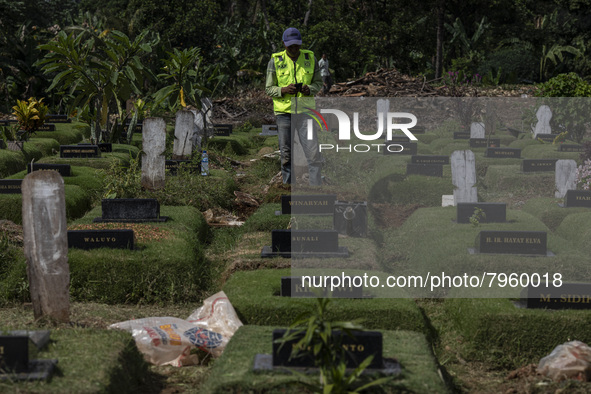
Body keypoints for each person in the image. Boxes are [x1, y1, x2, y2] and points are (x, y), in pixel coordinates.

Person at [265, 27, 323, 186]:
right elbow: (269, 88)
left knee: (313, 152)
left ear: (301, 44)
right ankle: (288, 188)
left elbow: (318, 83)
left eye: (296, 46)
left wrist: (309, 89)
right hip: (284, 113)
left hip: (306, 113)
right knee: (286, 154)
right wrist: (283, 90)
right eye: (290, 46)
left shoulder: (310, 58)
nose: (294, 49)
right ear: (284, 44)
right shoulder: (276, 60)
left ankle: (315, 188)